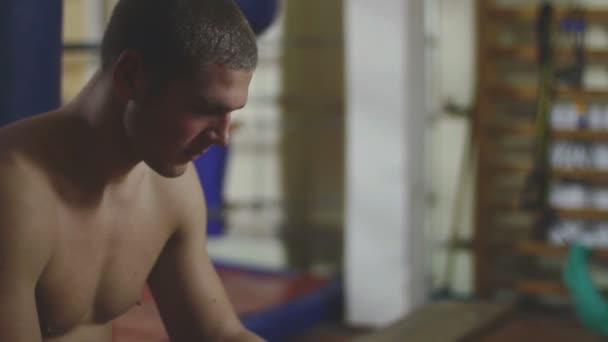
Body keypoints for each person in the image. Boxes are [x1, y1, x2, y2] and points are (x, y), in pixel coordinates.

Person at [0, 0, 263, 341]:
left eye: (230, 113)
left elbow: (217, 333)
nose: (222, 137)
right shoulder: (14, 193)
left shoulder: (170, 188)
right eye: (203, 108)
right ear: (130, 76)